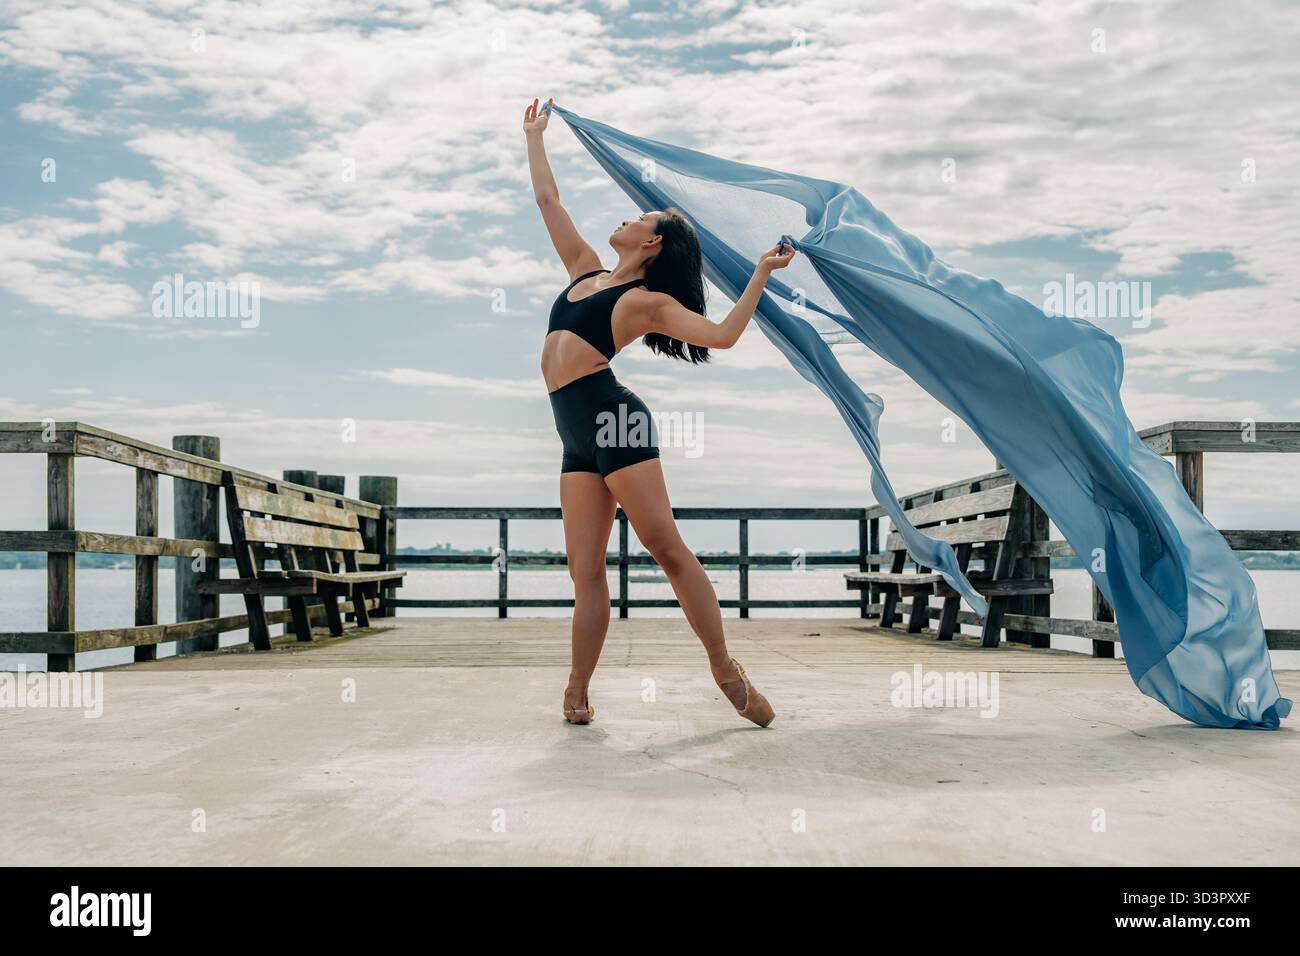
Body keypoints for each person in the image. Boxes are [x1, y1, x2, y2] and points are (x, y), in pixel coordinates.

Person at [524, 97, 794, 727]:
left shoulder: (646, 301)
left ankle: (725, 666)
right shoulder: (584, 270)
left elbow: (723, 334)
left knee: (664, 546)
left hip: (612, 416)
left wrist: (760, 272)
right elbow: (547, 202)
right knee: (583, 570)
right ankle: (578, 689)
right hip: (572, 429)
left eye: (639, 216)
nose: (625, 216)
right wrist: (535, 136)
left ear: (652, 242)